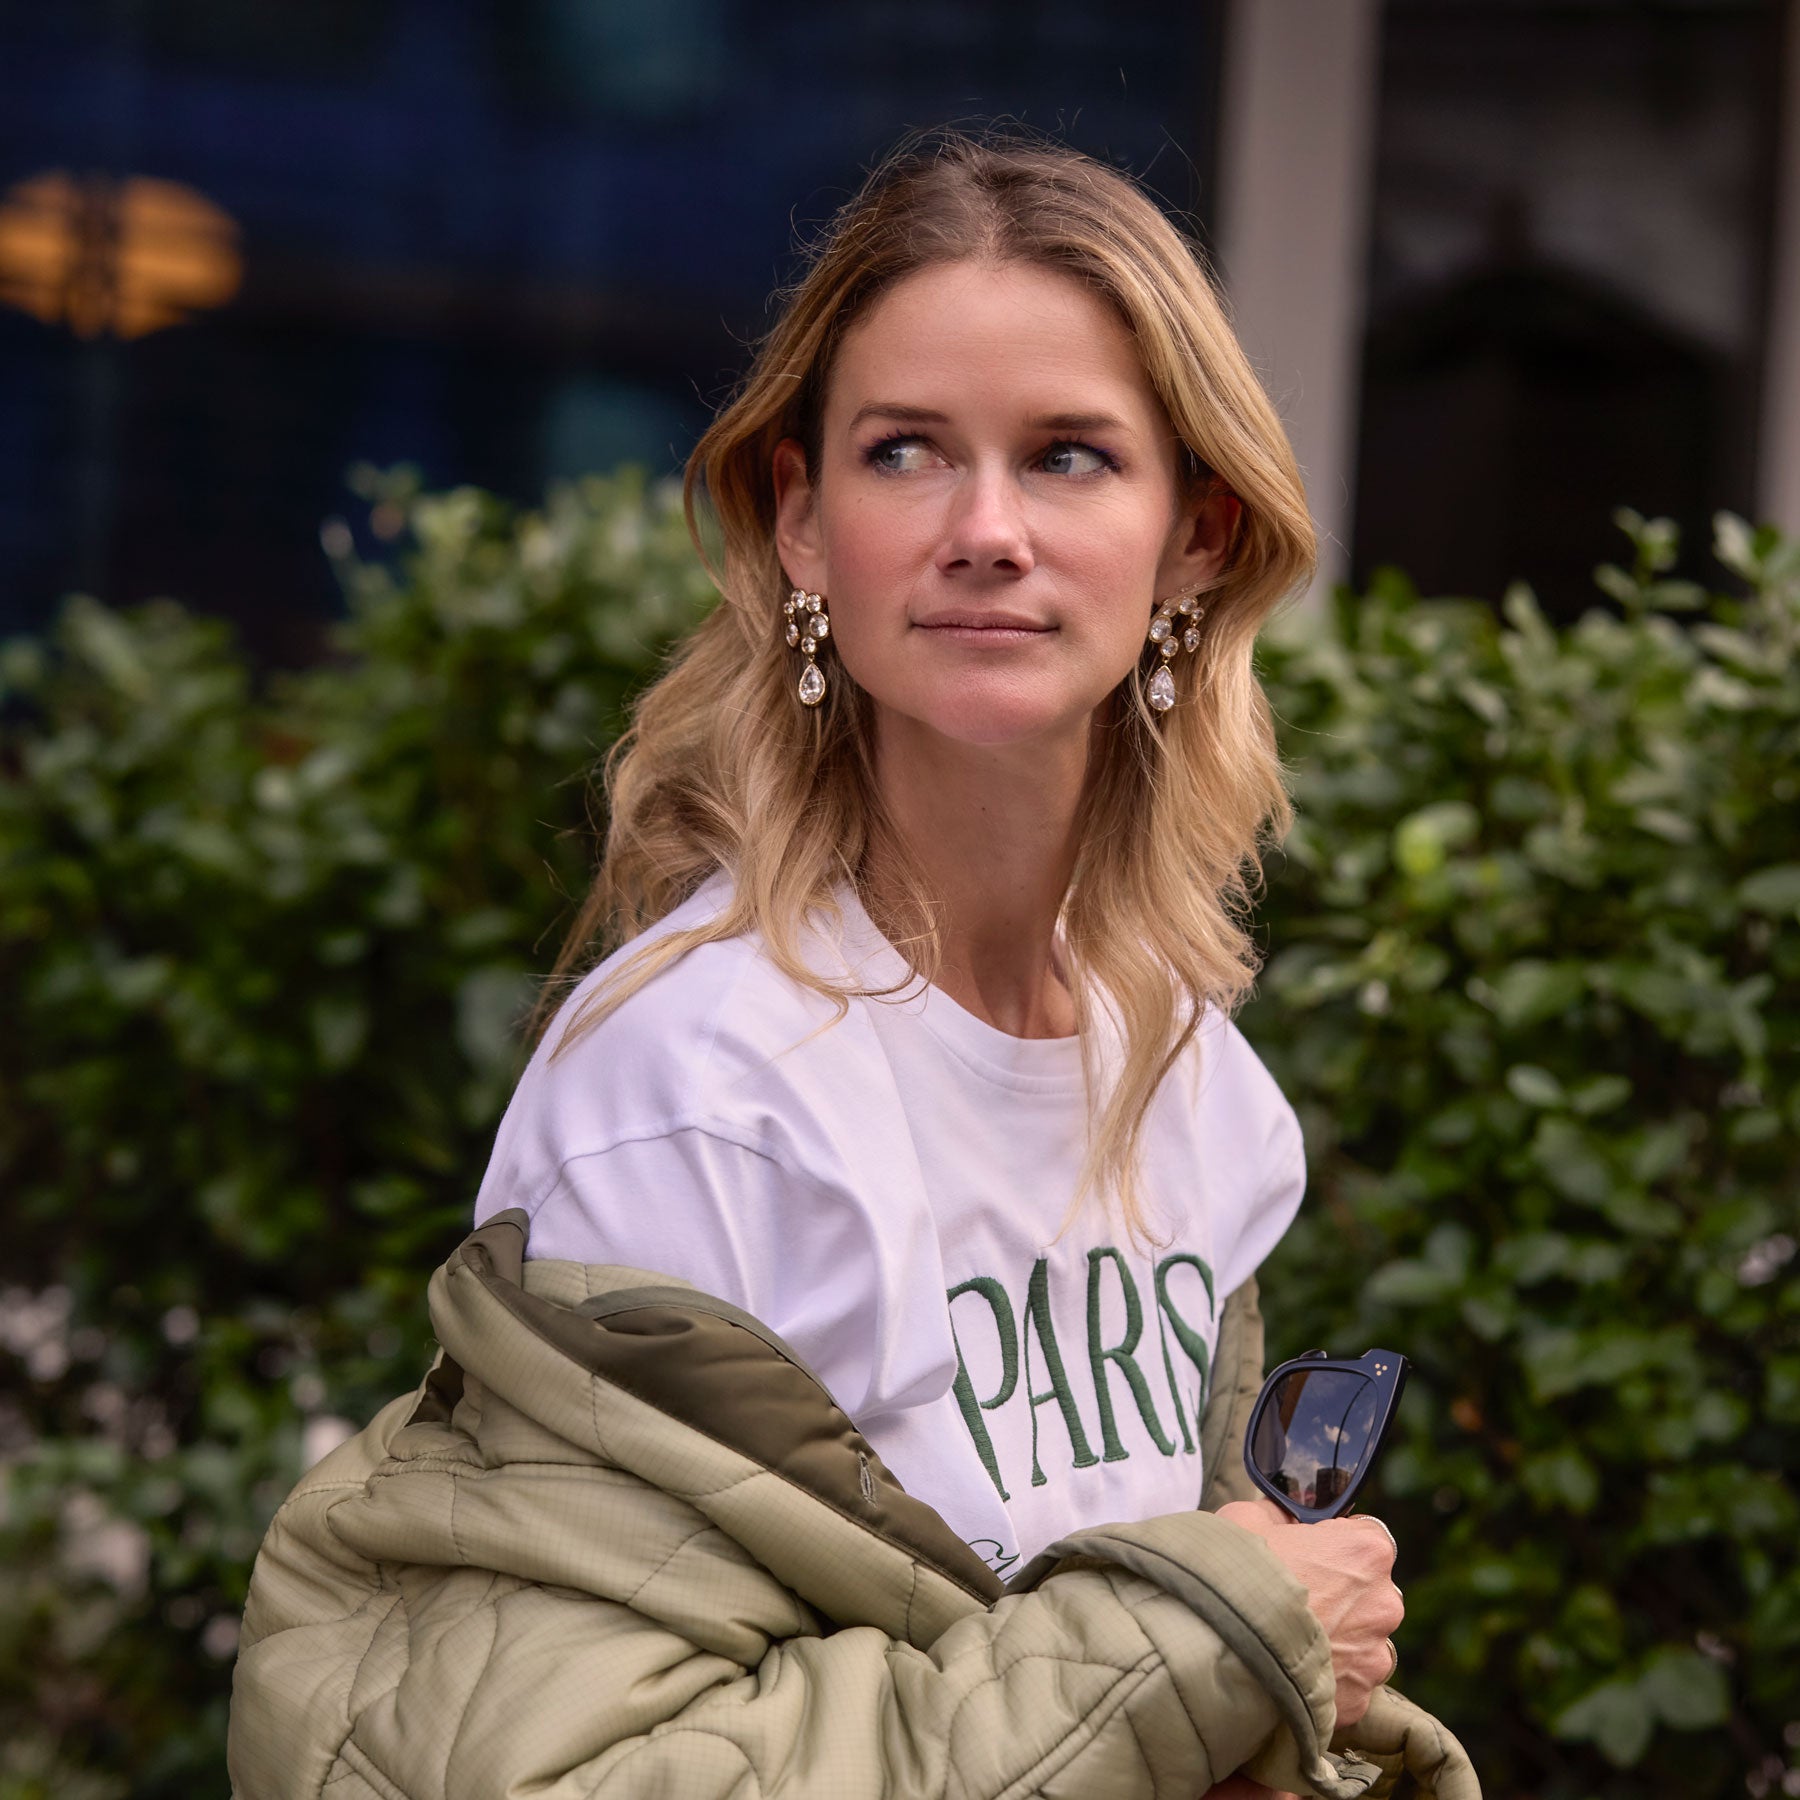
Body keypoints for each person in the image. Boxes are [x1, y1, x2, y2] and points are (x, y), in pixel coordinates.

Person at [227, 131, 1479, 1799]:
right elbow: (579, 1773)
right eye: (905, 453)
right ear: (804, 521)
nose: (984, 529)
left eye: (1070, 457)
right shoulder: (698, 1093)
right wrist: (1231, 1622)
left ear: (1198, 533)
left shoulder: (1195, 1082)